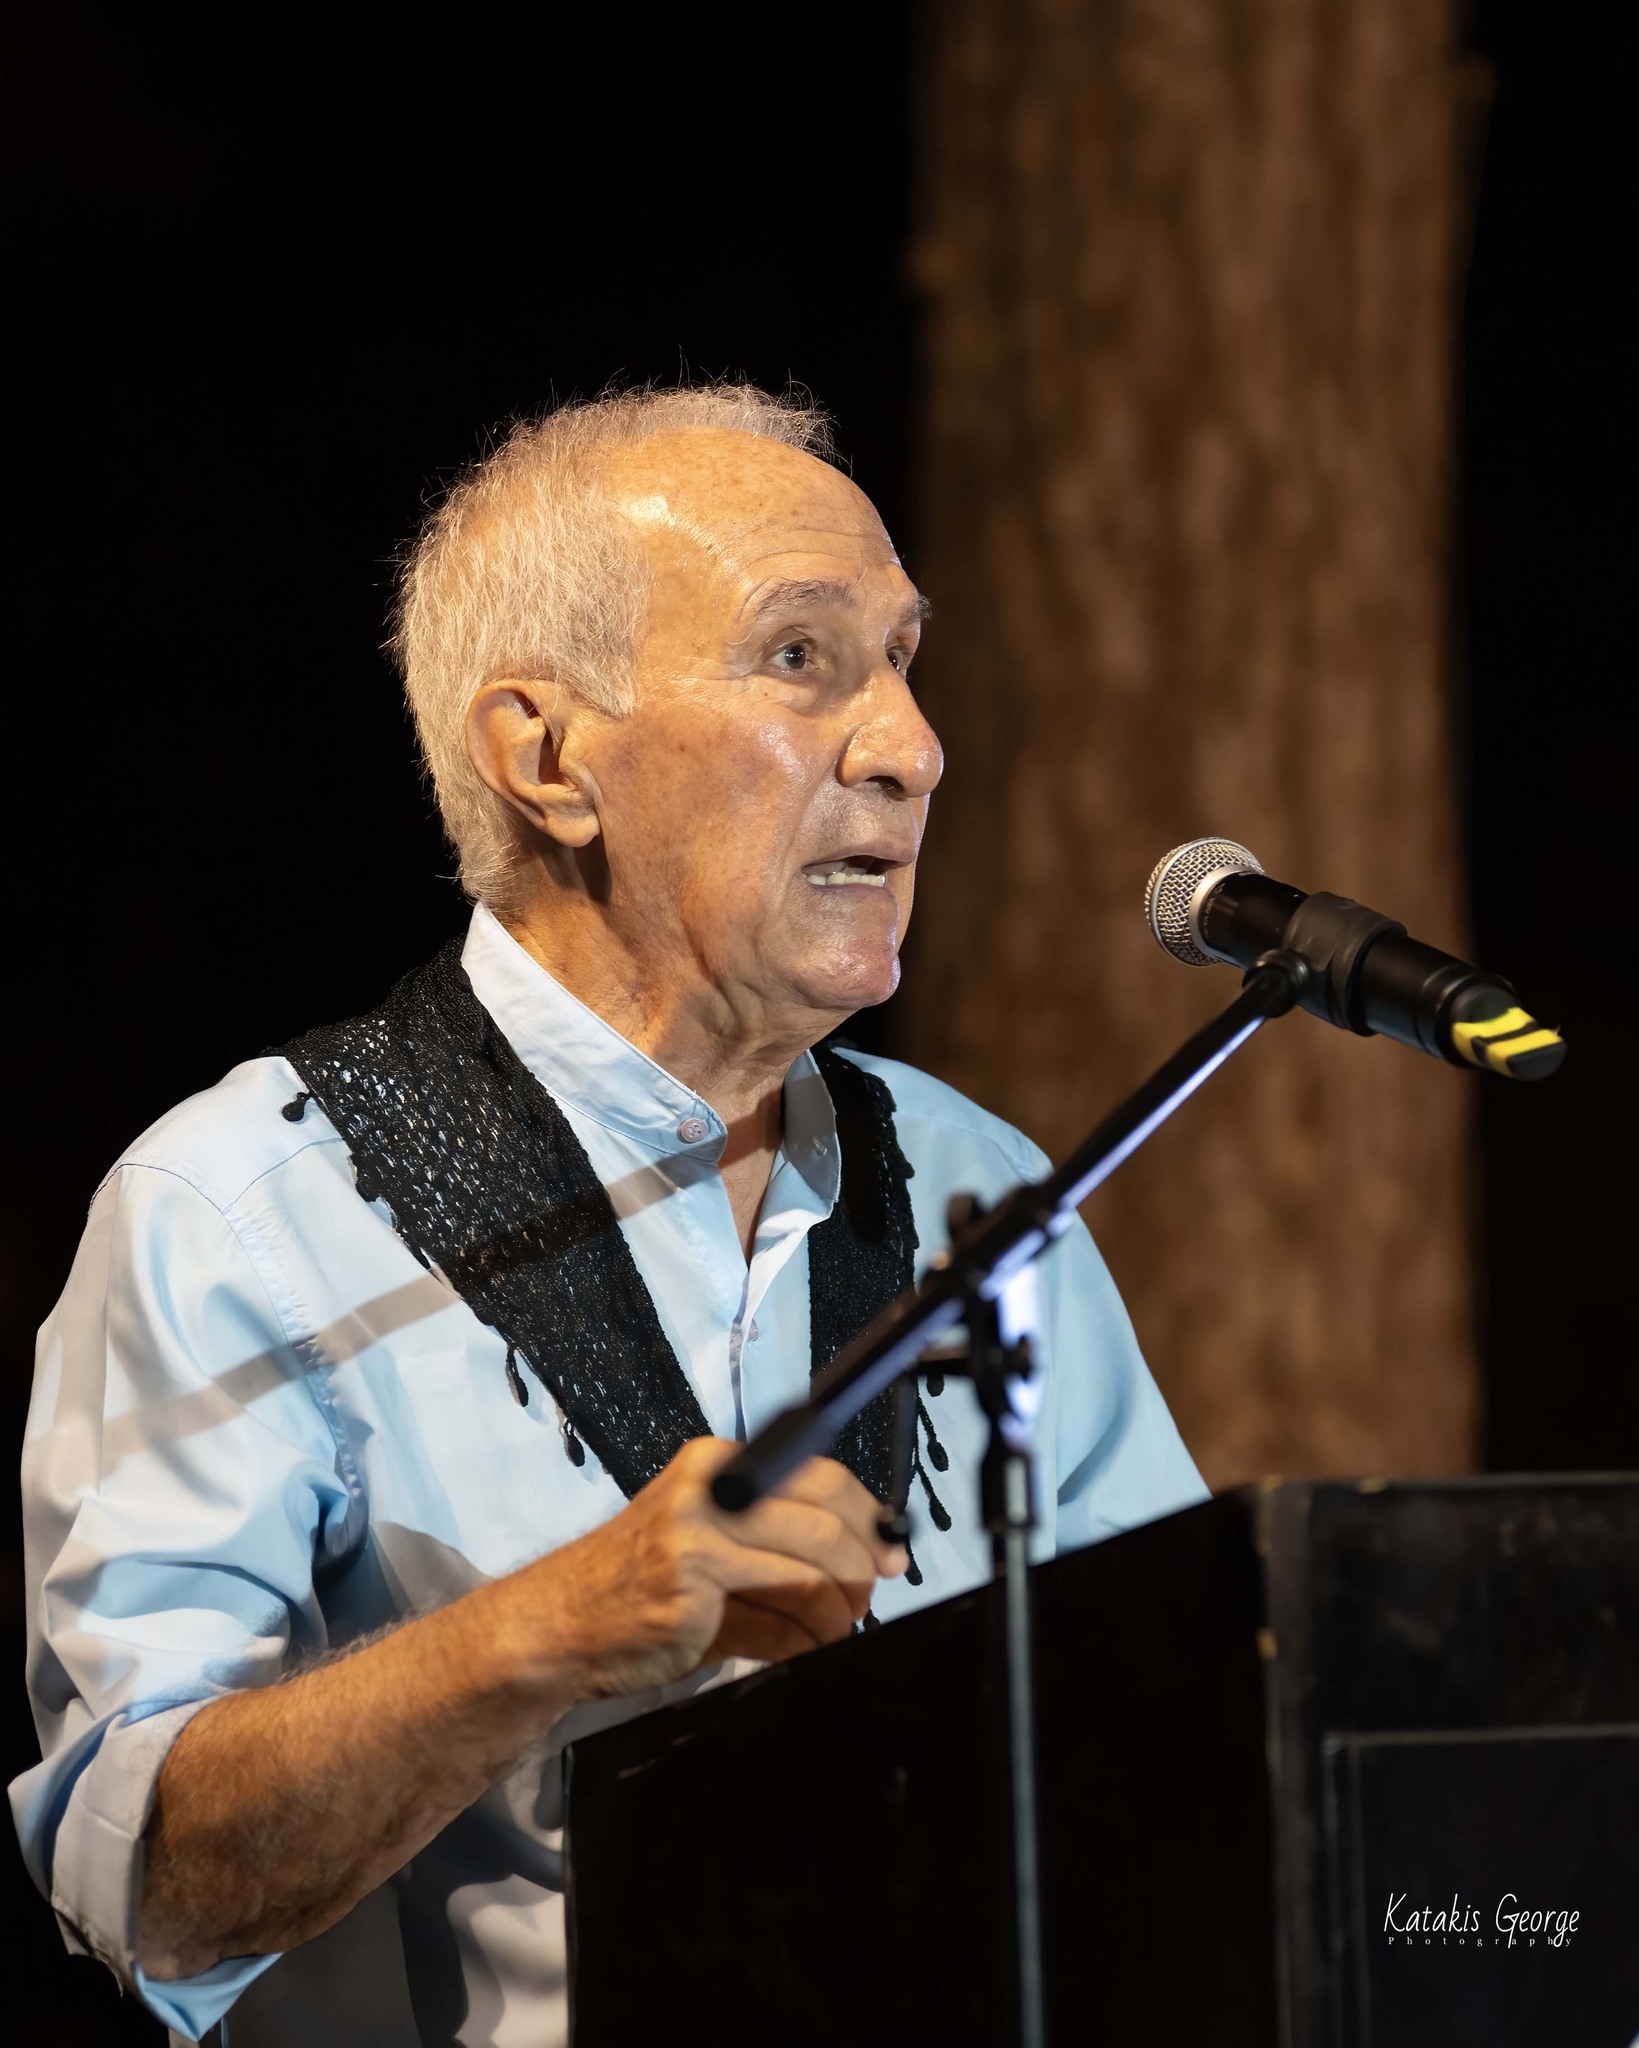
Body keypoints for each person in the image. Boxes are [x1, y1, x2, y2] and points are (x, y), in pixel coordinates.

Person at [11, 384, 1205, 2047]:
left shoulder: (984, 1192)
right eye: (801, 656)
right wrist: (554, 1631)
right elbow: (149, 1885)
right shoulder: (235, 1211)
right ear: (547, 758)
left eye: (902, 657)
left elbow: (1182, 1743)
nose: (911, 746)